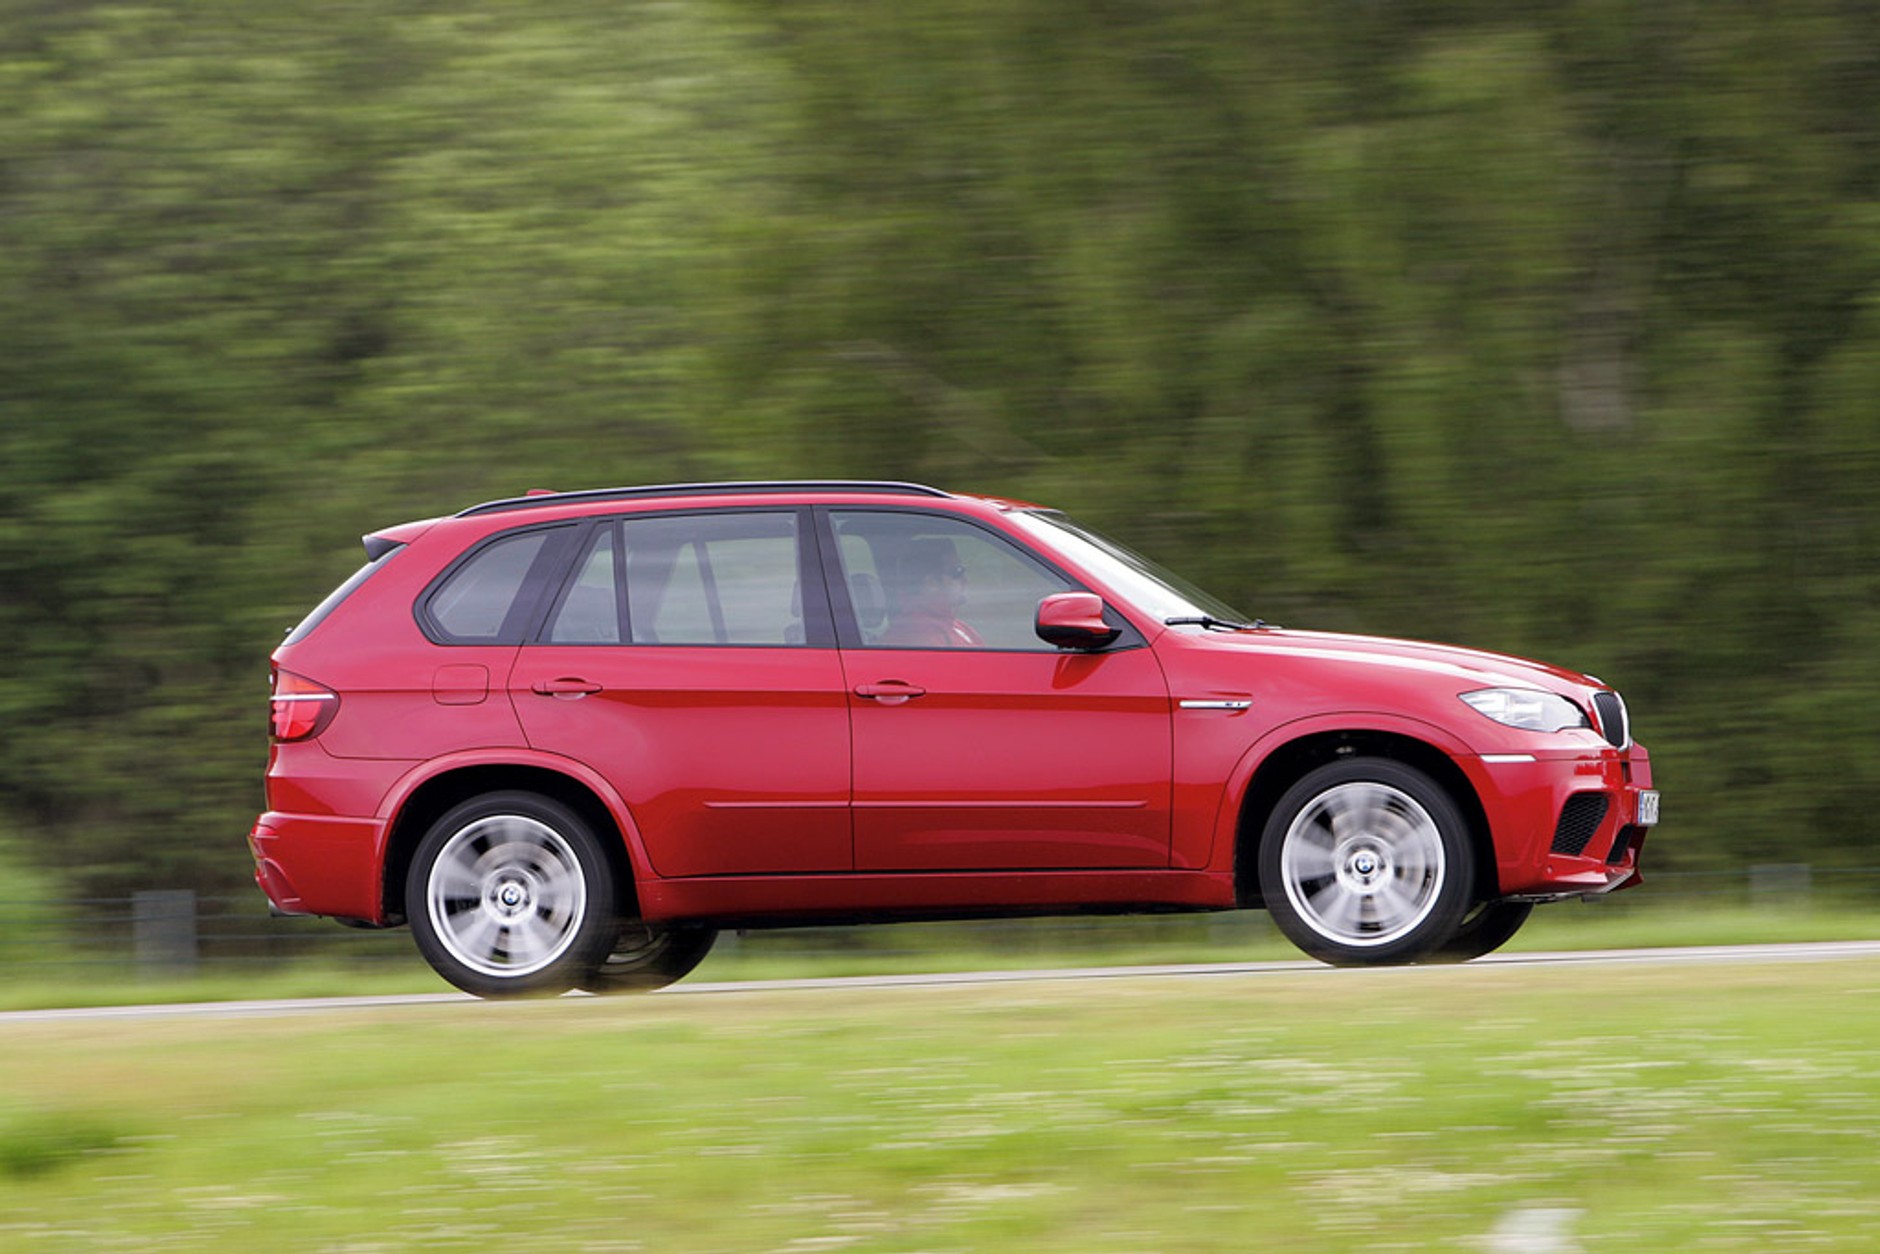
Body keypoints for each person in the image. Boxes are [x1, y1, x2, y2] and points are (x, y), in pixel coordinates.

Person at [879, 537, 984, 647]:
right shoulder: (918, 638)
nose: (966, 580)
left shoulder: (957, 627)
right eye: (957, 573)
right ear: (931, 583)